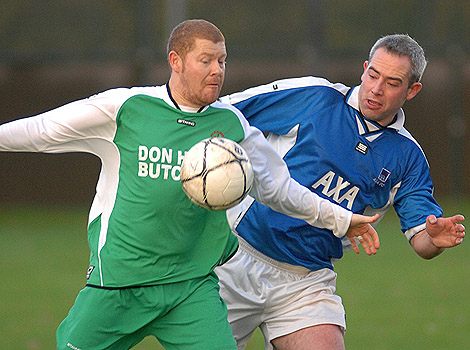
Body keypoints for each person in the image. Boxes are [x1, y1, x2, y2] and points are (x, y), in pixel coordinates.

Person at [0, 19, 379, 350]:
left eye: (222, 61)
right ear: (176, 62)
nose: (217, 70)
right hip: (119, 284)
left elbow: (279, 189)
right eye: (206, 60)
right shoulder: (127, 108)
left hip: (191, 288)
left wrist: (342, 220)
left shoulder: (234, 126)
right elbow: (40, 131)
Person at [216, 34, 466, 350]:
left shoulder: (408, 157)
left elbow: (421, 239)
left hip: (305, 280)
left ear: (412, 90)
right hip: (235, 256)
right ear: (364, 69)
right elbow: (225, 113)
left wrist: (434, 239)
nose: (376, 89)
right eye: (373, 75)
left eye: (392, 82)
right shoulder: (316, 97)